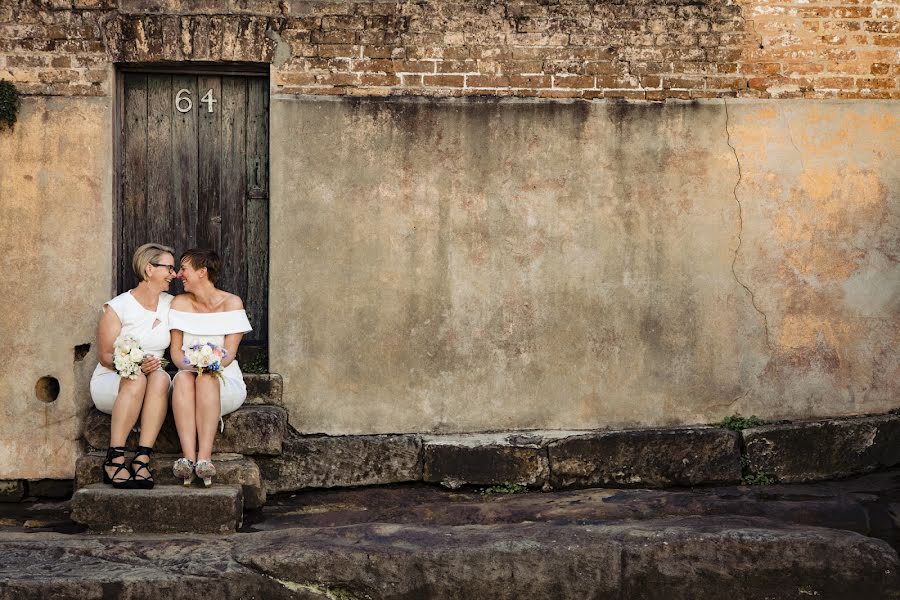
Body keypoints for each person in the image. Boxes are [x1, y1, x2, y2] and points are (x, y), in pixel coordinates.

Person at [90, 243, 176, 489]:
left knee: (160, 377)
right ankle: (114, 458)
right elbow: (105, 356)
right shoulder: (118, 307)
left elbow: (171, 353)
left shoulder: (171, 303)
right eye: (169, 268)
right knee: (136, 378)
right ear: (149, 269)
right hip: (113, 378)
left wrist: (155, 364)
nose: (174, 274)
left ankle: (142, 457)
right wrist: (133, 364)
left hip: (153, 378)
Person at [169, 248, 251, 486]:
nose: (178, 274)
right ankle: (188, 459)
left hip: (224, 379)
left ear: (202, 271)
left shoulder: (231, 303)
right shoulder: (180, 303)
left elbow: (229, 353)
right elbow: (176, 352)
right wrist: (191, 366)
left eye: (184, 269)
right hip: (188, 377)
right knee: (184, 378)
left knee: (206, 378)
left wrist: (207, 365)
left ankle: (205, 459)